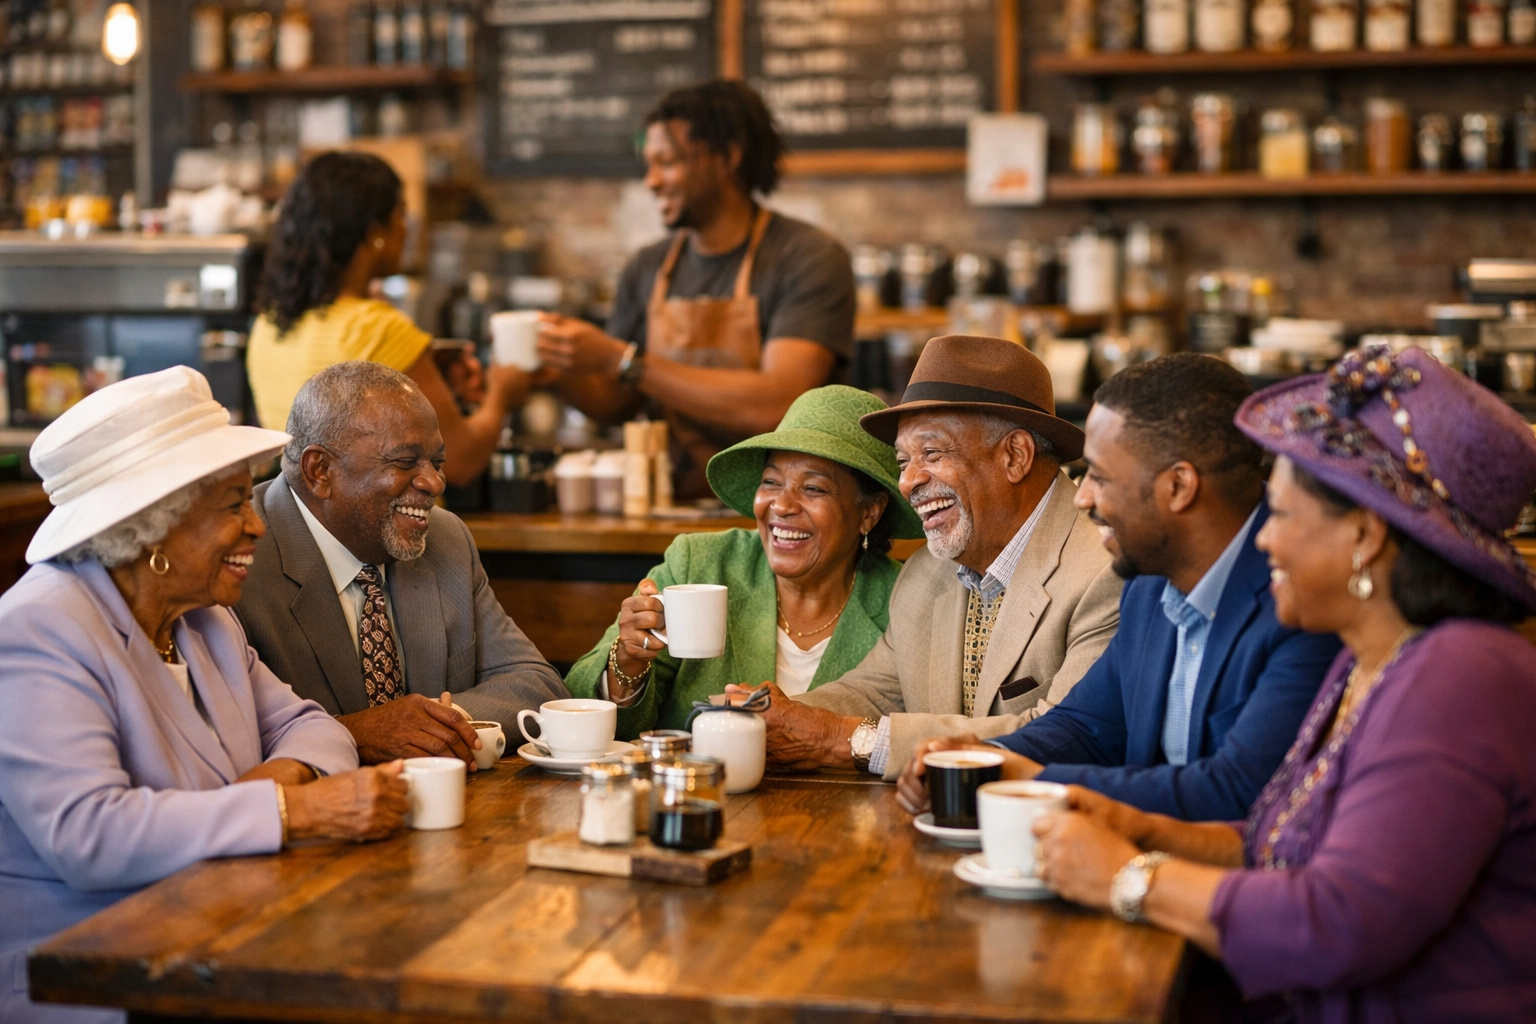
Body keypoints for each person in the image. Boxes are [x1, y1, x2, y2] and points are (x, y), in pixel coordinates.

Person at [1030, 345, 1536, 1023]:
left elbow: (1338, 922)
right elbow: (1274, 841)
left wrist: (1129, 877)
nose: (1265, 541)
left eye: (1286, 516)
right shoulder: (1378, 665)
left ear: (1363, 535)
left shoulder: (1462, 676)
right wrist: (1137, 825)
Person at [0, 368, 408, 1024]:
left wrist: (271, 786)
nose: (256, 526)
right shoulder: (38, 629)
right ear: (152, 528)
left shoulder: (203, 618)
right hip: (94, 977)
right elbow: (88, 834)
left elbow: (314, 727)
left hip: (221, 937)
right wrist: (293, 812)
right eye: (230, 505)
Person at [898, 355, 1340, 821]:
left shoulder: (1303, 599)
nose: (1083, 496)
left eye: (1101, 476)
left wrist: (1030, 781)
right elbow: (1087, 727)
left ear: (1178, 487)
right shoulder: (1148, 584)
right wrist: (977, 760)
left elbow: (1236, 791)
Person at [736, 335, 1122, 780]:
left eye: (932, 454)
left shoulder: (1106, 569)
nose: (909, 482)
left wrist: (841, 740)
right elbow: (875, 692)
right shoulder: (927, 571)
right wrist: (765, 719)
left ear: (1015, 456)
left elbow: (1062, 740)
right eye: (903, 462)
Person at [235, 362, 568, 767]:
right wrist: (353, 733)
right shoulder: (238, 555)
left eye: (437, 462)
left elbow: (538, 687)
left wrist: (435, 724)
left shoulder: (445, 538)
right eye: (406, 462)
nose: (434, 483)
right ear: (320, 470)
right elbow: (226, 738)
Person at [534, 80, 856, 498]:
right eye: (648, 164)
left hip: (780, 512)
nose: (651, 181)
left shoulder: (806, 256)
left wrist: (625, 360)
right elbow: (618, 404)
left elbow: (780, 401)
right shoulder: (647, 266)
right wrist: (554, 368)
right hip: (666, 501)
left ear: (728, 157)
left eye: (667, 162)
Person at [564, 386, 925, 734]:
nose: (782, 506)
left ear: (870, 513)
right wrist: (627, 662)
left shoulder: (904, 600)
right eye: (771, 482)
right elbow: (578, 705)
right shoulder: (703, 562)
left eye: (813, 488)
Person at [246, 151, 531, 484]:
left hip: (302, 524)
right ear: (374, 233)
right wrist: (502, 392)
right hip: (383, 530)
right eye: (400, 216)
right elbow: (462, 461)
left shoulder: (267, 325)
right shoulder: (378, 328)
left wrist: (428, 373)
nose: (405, 231)